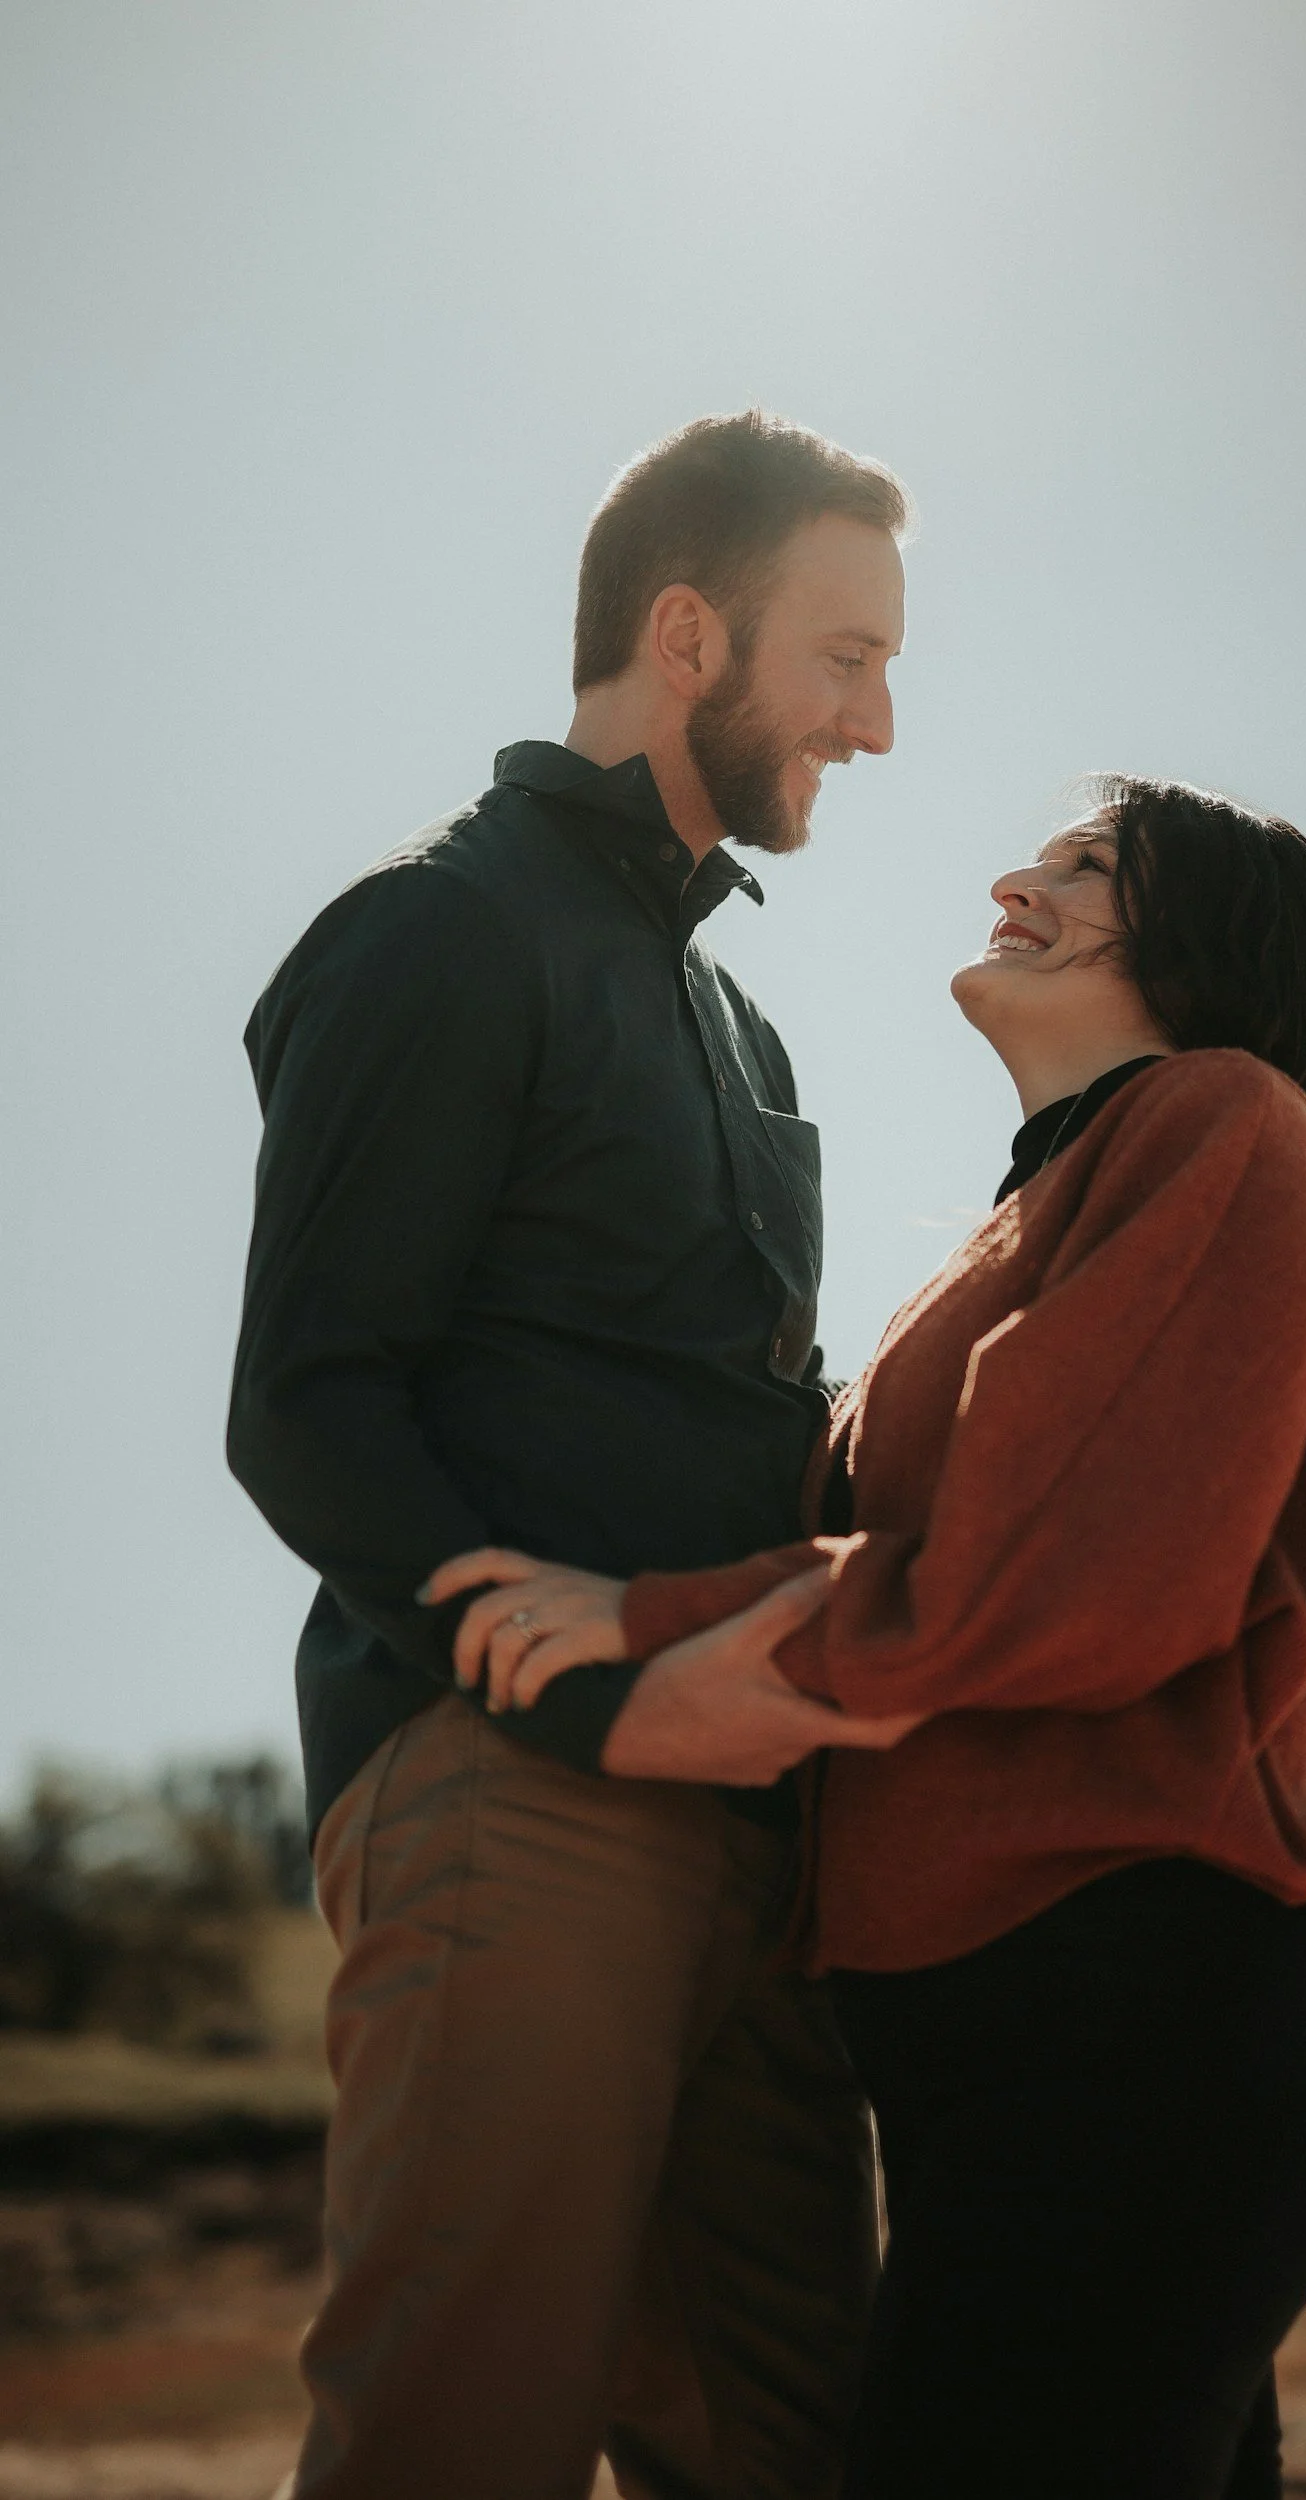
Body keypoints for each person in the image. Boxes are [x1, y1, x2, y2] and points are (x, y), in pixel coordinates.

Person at [430, 774, 1306, 2500]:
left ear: (1205, 939)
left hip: (1134, 2022)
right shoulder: (1033, 1212)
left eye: (1094, 866)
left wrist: (648, 1626)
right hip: (1001, 2054)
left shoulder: (1219, 1126)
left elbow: (1071, 1579)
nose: (1024, 877)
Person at [227, 411, 916, 2500]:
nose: (878, 723)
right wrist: (603, 1689)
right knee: (460, 2441)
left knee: (799, 2451)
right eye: (847, 656)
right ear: (686, 634)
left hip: (758, 1847)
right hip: (516, 1801)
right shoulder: (440, 930)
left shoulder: (744, 1029)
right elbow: (309, 1398)